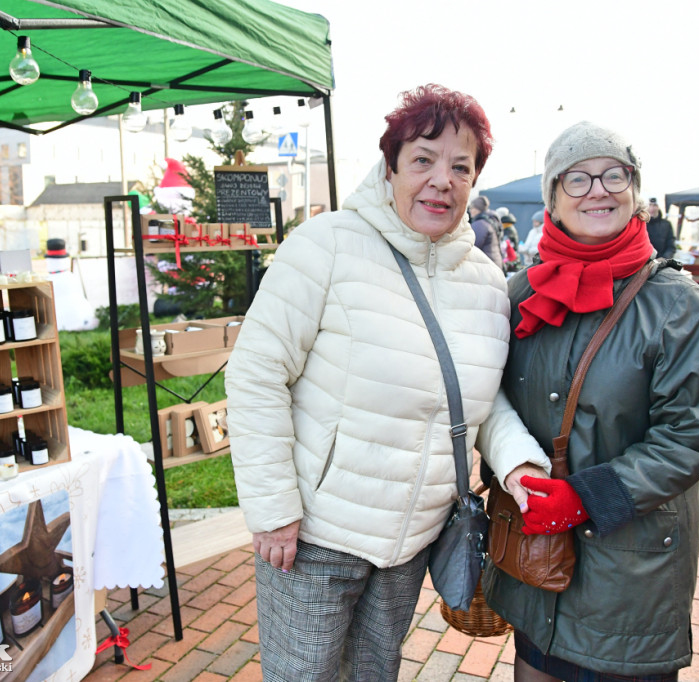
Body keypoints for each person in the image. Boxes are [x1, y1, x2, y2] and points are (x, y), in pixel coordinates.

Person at [224, 84, 547, 682]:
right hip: (314, 534)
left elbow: (481, 395)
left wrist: (520, 465)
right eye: (423, 159)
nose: (441, 180)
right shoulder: (327, 245)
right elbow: (256, 373)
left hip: (412, 541)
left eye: (461, 166)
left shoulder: (483, 278)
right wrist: (272, 508)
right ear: (390, 165)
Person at [478, 121, 699, 681]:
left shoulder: (675, 303)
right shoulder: (520, 292)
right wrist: (515, 470)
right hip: (536, 565)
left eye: (613, 174)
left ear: (634, 190)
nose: (598, 189)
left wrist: (587, 497)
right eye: (577, 179)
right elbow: (489, 398)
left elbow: (694, 433)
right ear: (552, 198)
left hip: (629, 578)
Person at [469, 195, 504, 268]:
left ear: (477, 209)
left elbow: (472, 246)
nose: (470, 211)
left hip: (486, 265)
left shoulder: (480, 224)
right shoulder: (490, 221)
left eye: (472, 208)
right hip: (494, 262)